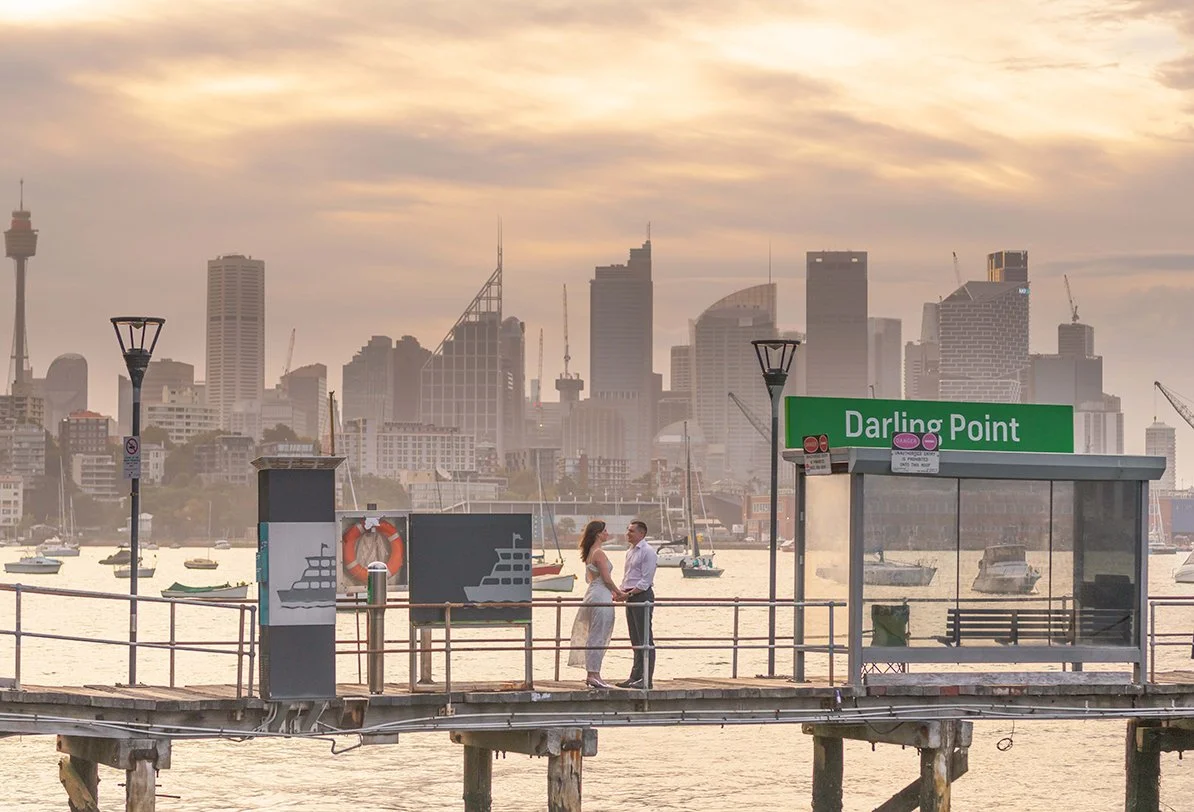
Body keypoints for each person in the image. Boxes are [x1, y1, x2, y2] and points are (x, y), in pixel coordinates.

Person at [567, 520, 624, 688]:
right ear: (598, 533)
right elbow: (606, 579)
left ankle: (593, 674)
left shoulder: (590, 552)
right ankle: (594, 674)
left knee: (594, 635)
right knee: (598, 636)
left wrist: (612, 591)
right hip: (600, 596)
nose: (607, 533)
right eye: (605, 531)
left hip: (593, 594)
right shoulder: (599, 553)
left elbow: (593, 579)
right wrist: (619, 592)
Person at [615, 520, 658, 689]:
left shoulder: (648, 552)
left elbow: (645, 581)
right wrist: (619, 591)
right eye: (628, 530)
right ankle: (635, 676)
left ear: (642, 533)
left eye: (632, 531)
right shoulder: (630, 551)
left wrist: (629, 593)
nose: (628, 533)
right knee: (635, 638)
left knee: (645, 638)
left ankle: (647, 678)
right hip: (630, 596)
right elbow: (628, 576)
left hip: (642, 596)